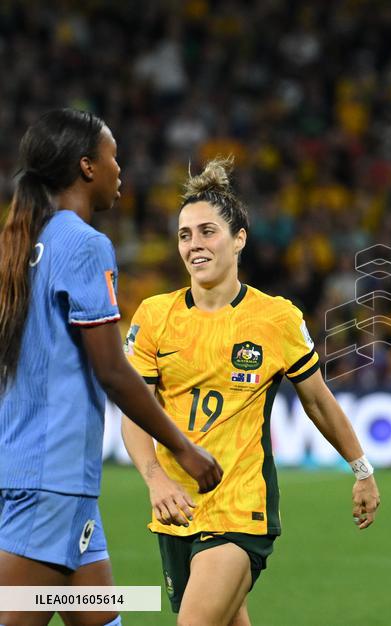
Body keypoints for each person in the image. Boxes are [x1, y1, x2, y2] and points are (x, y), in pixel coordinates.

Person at [120, 157, 381, 626]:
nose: (194, 244)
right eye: (185, 234)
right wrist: (156, 480)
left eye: (207, 232)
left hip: (242, 508)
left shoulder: (275, 317)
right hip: (178, 508)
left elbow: (318, 400)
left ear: (239, 238)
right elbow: (135, 412)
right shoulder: (154, 315)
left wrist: (361, 469)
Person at [0, 109, 222, 626]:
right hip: (50, 482)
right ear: (87, 167)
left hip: (49, 476)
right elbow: (113, 370)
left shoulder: (23, 245)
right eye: (113, 156)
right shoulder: (83, 244)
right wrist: (182, 448)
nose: (121, 169)